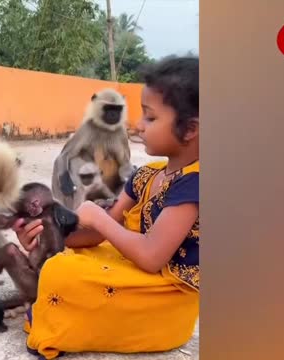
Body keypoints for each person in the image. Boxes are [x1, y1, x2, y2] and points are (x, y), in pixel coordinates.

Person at [13, 56, 200, 359]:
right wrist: (49, 233)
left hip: (166, 297)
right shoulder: (148, 174)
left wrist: (99, 219)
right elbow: (99, 235)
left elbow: (152, 256)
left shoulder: (195, 183)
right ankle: (64, 309)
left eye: (150, 119)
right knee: (64, 259)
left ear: (189, 129)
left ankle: (61, 320)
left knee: (62, 274)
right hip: (137, 266)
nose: (138, 126)